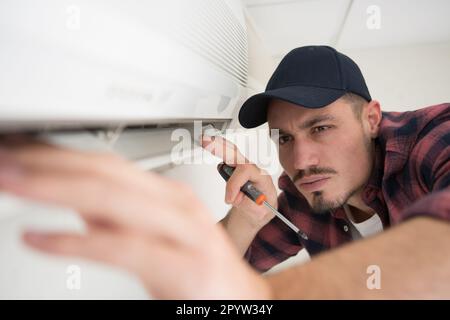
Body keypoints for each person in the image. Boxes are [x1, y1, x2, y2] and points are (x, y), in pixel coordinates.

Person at [0, 46, 448, 299]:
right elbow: (212, 282)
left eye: (322, 127)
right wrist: (248, 217)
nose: (302, 160)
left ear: (371, 118)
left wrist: (265, 300)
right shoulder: (302, 196)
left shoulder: (434, 136)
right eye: (284, 138)